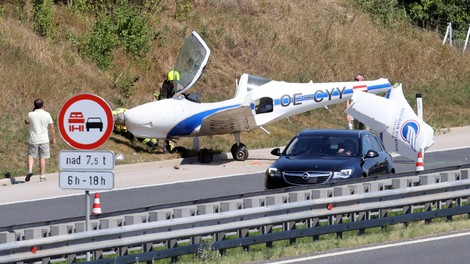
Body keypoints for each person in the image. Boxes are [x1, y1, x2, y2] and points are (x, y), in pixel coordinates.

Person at [24, 99, 56, 182]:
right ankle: (42, 176)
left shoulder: (30, 114)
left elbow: (26, 122)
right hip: (44, 139)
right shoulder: (47, 114)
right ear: (43, 105)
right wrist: (53, 137)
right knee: (42, 158)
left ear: (34, 105)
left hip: (33, 139)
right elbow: (51, 127)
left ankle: (30, 170)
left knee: (31, 156)